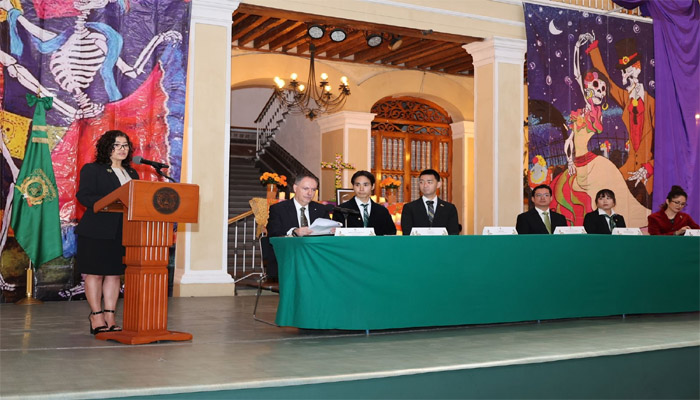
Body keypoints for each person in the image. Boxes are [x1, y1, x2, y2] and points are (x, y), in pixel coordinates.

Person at [76, 130, 139, 335]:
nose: (122, 149)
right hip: (97, 230)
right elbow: (84, 196)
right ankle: (96, 316)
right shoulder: (93, 169)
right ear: (107, 147)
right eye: (117, 145)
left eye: (125, 145)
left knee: (113, 274)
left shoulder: (132, 174)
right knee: (95, 274)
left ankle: (110, 316)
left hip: (122, 231)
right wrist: (108, 202)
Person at [332, 171, 396, 235]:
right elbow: (335, 234)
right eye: (357, 185)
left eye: (365, 185)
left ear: (373, 186)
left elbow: (391, 234)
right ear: (353, 186)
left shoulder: (382, 211)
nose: (361, 189)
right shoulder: (341, 210)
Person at [400, 169, 460, 235]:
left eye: (429, 182)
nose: (425, 185)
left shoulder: (449, 208)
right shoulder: (409, 208)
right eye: (421, 182)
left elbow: (453, 233)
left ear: (438, 184)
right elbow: (407, 233)